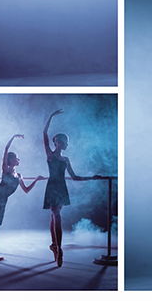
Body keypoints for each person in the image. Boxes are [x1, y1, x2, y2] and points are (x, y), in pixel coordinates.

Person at [43, 109, 103, 267]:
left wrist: (92, 177)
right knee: (55, 215)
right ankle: (58, 248)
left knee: (55, 215)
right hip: (53, 186)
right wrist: (51, 116)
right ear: (59, 142)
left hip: (61, 188)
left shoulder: (66, 159)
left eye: (67, 142)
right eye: (65, 142)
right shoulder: (50, 154)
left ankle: (56, 246)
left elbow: (75, 177)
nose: (67, 144)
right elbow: (44, 133)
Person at [0, 122, 43, 262]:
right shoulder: (6, 169)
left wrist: (37, 180)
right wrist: (13, 137)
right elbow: (5, 150)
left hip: (2, 200)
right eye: (16, 157)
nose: (18, 159)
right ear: (10, 160)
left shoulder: (19, 176)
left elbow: (26, 190)